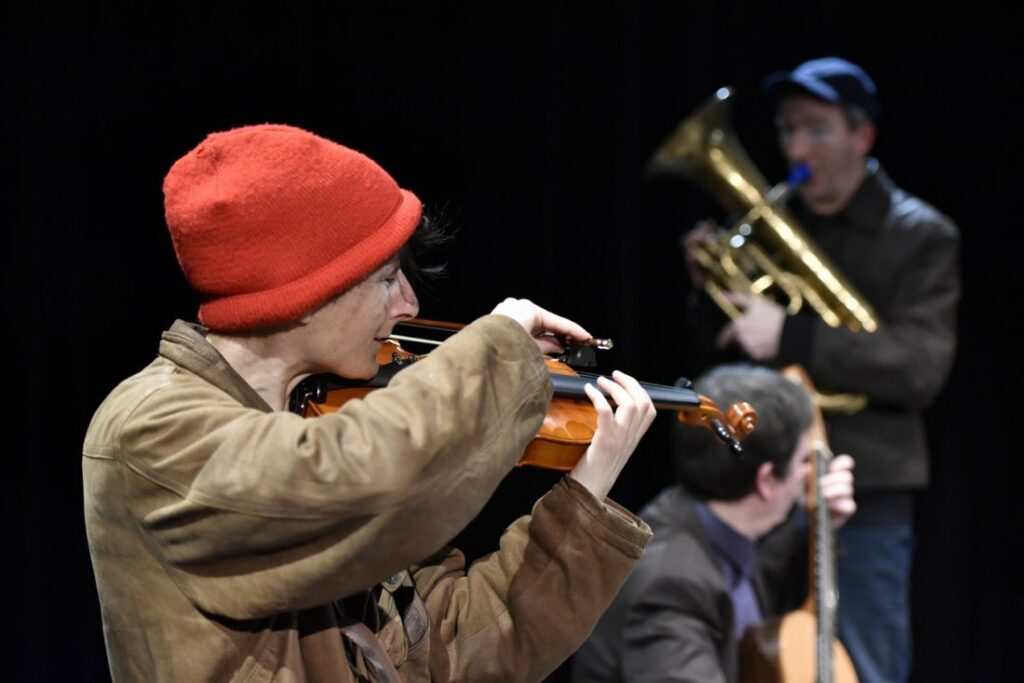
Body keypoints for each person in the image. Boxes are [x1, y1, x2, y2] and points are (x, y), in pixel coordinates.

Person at [82, 123, 658, 682]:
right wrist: (499, 348)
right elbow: (362, 474)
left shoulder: (306, 411)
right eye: (386, 279)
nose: (408, 303)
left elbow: (447, 656)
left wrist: (584, 497)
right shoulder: (152, 431)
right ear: (302, 291)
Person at [680, 57, 960, 683]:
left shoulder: (920, 235)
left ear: (862, 136)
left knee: (865, 665)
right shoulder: (776, 228)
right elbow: (722, 349)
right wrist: (710, 291)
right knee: (755, 660)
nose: (794, 147)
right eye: (787, 130)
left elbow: (920, 367)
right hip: (764, 479)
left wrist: (792, 333)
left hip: (866, 491)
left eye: (816, 129)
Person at [571, 363, 857, 682]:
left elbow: (769, 568)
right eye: (805, 462)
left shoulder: (722, 523)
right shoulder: (669, 585)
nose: (812, 477)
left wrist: (821, 525)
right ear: (766, 481)